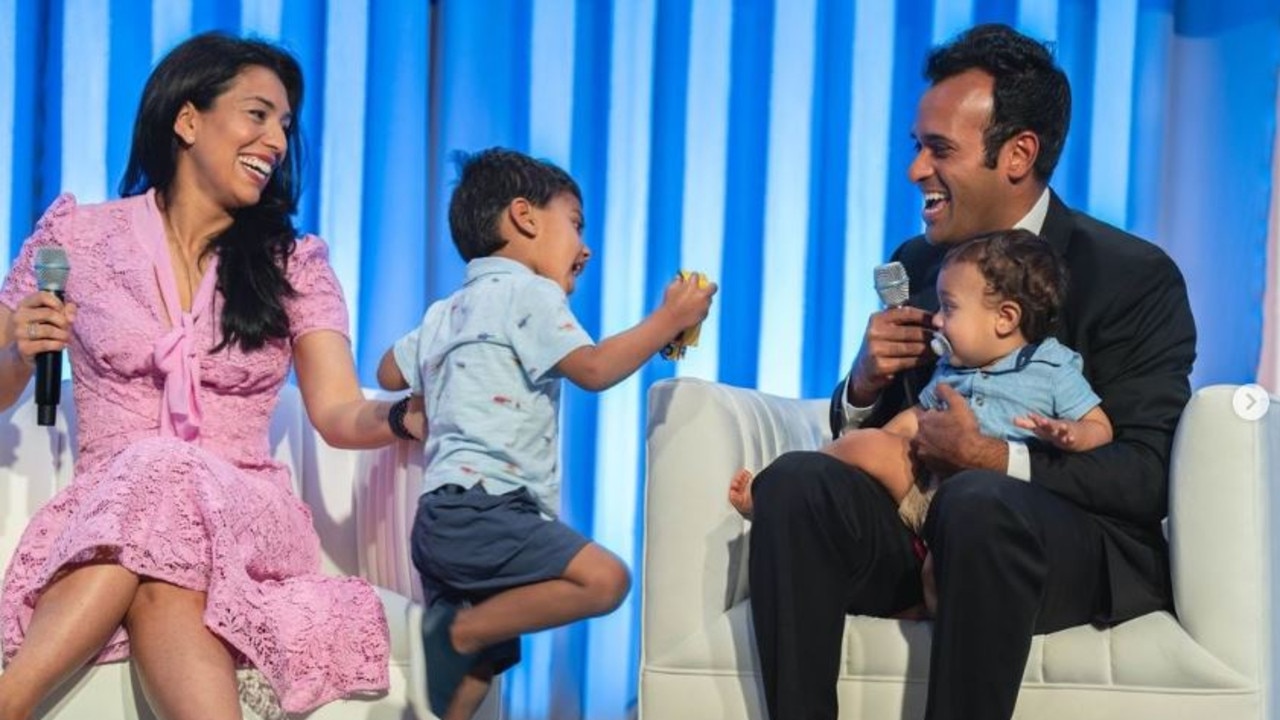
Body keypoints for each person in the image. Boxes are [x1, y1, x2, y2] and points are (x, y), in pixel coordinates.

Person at [747, 23, 1196, 720]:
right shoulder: (920, 261)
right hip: (921, 520)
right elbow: (899, 422)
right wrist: (864, 386)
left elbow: (1143, 472)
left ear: (1018, 154)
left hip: (1054, 543)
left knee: (977, 501)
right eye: (916, 147)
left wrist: (994, 458)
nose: (915, 171)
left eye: (938, 150)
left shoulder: (1132, 277)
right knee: (797, 482)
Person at [0, 33, 421, 720]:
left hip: (249, 514)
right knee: (163, 581)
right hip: (110, 514)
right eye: (257, 114)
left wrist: (404, 415)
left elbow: (339, 411)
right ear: (187, 119)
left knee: (163, 472)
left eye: (285, 125)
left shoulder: (294, 263)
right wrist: (18, 352)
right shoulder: (74, 237)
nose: (277, 140)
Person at [376, 147, 716, 720]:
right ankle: (457, 631)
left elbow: (387, 370)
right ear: (524, 217)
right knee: (605, 581)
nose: (585, 247)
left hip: (440, 517)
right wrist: (669, 318)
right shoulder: (530, 294)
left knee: (470, 682)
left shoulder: (446, 311)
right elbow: (595, 369)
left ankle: (462, 638)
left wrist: (428, 387)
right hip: (489, 510)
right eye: (576, 224)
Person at [729, 229, 1114, 539]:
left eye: (949, 308)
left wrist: (1072, 435)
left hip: (997, 515)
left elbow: (1100, 427)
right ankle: (773, 491)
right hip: (927, 495)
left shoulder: (1053, 366)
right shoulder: (951, 370)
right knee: (866, 445)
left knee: (941, 575)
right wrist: (883, 441)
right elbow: (914, 418)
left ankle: (923, 597)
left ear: (1005, 318)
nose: (937, 321)